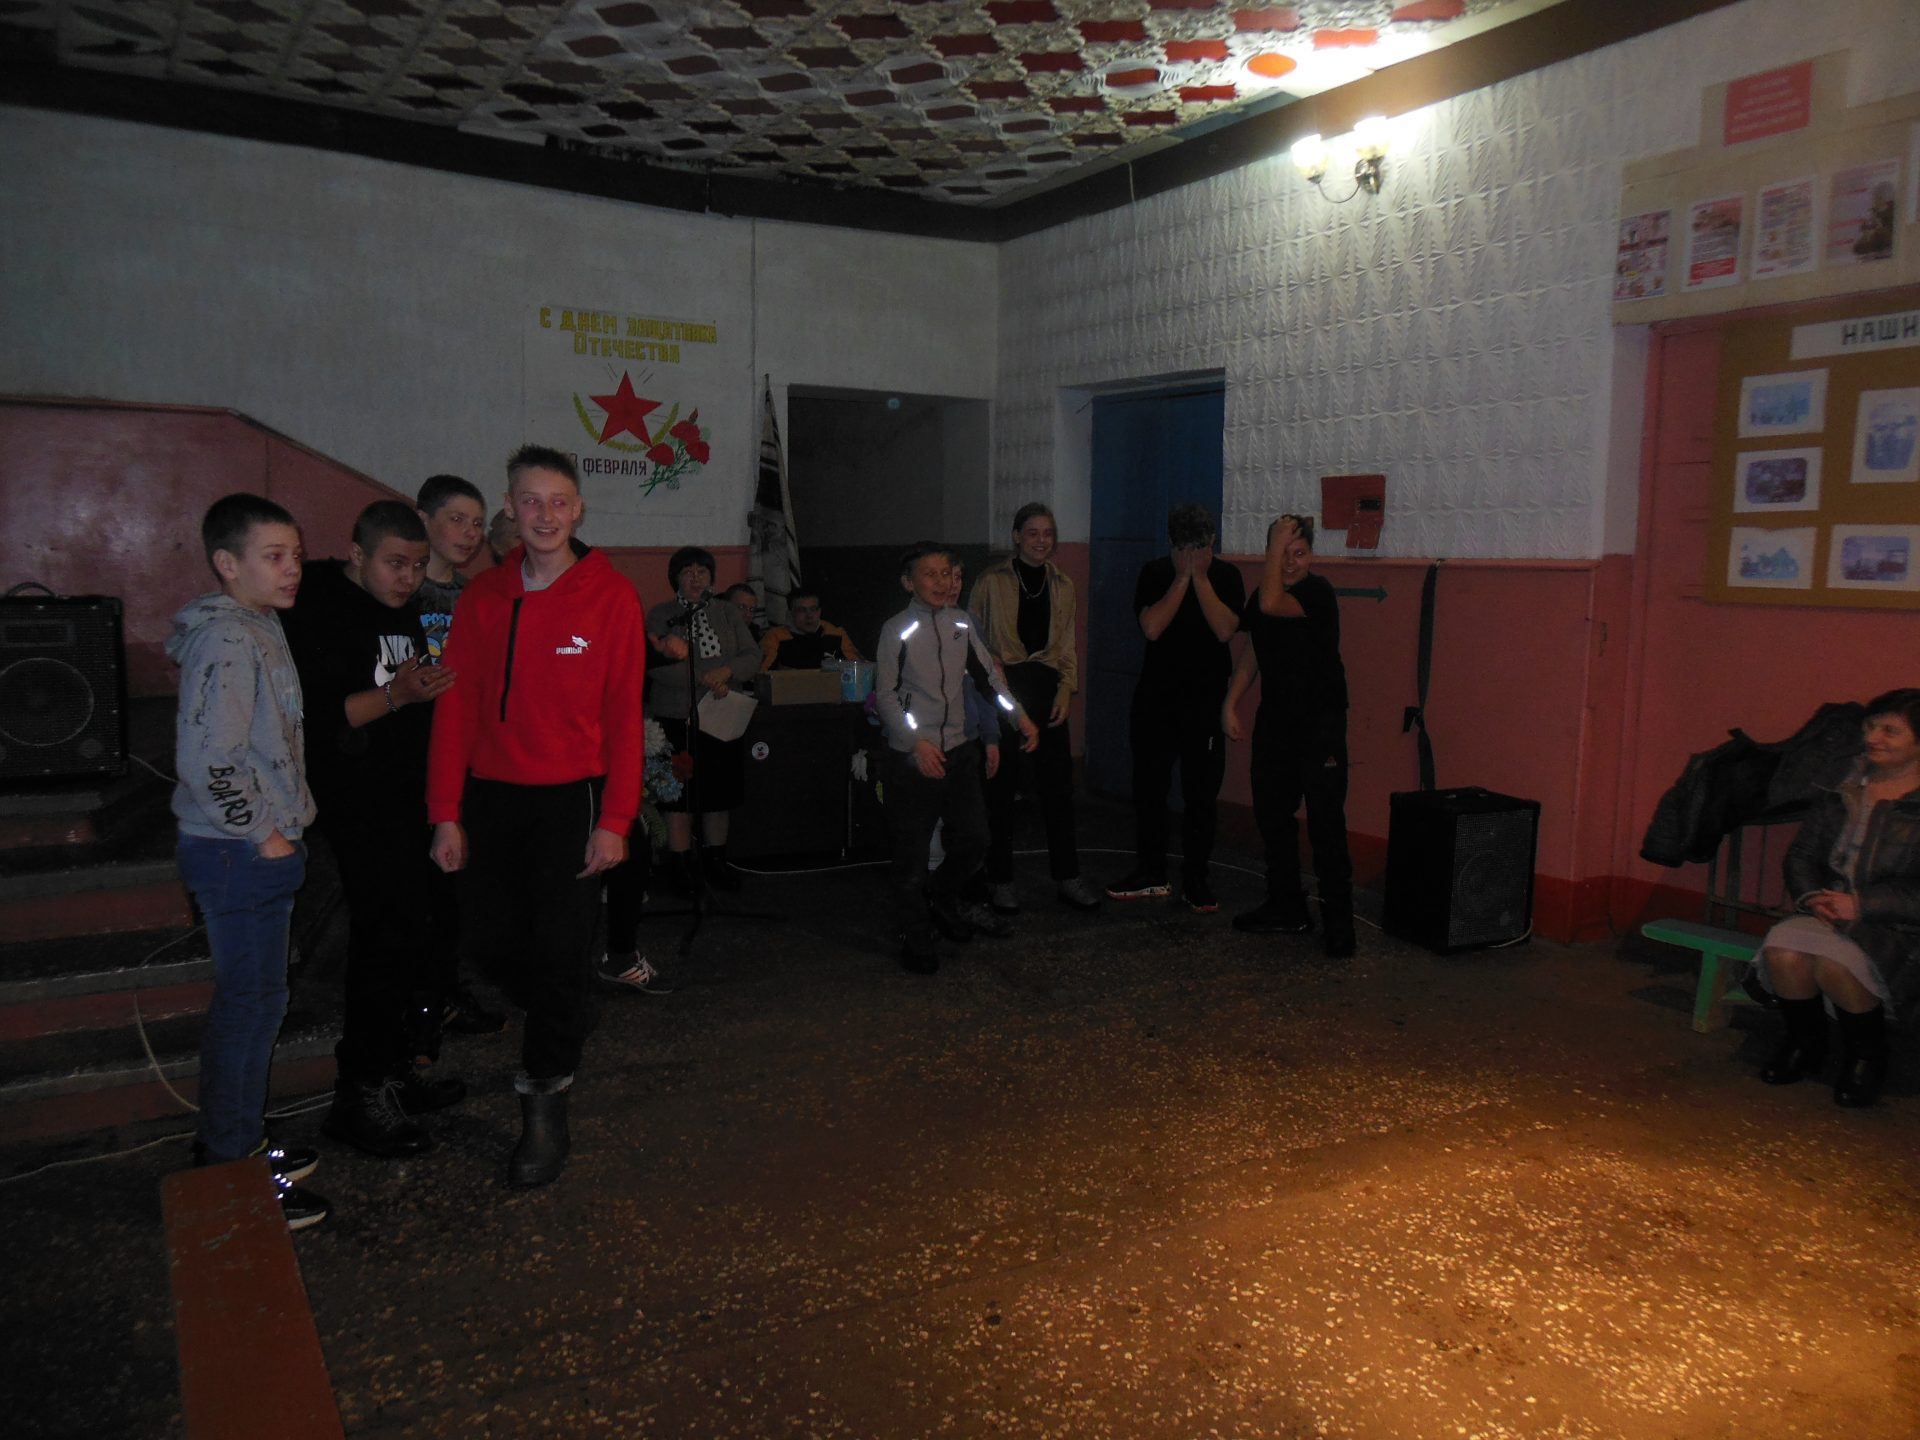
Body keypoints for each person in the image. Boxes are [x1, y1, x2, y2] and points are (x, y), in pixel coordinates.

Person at [427, 445, 646, 1188]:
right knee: (485, 941)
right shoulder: (484, 597)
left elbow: (623, 714)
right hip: (491, 797)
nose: (544, 515)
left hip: (571, 800)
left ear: (577, 509)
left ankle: (545, 1102)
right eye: (530, 501)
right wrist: (445, 811)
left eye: (558, 501)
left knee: (557, 953)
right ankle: (566, 1003)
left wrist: (616, 819)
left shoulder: (610, 596)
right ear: (510, 509)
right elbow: (455, 708)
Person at [282, 500, 466, 1158]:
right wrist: (399, 696)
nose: (408, 578)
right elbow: (318, 716)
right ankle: (356, 1096)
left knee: (413, 935)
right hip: (355, 799)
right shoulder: (321, 607)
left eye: (417, 566)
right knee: (382, 939)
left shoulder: (402, 608)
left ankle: (391, 1071)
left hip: (405, 795)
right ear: (357, 555)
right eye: (394, 564)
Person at [168, 493, 329, 1230]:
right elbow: (210, 760)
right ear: (227, 563)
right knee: (251, 1008)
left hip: (251, 848)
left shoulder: (258, 624)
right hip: (237, 853)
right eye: (274, 556)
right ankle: (234, 1169)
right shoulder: (229, 639)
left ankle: (235, 1142)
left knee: (256, 1004)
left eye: (295, 555)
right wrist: (266, 835)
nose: (291, 568)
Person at [1753, 688, 1920, 1108]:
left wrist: (1862, 905)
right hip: (1829, 910)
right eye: (1871, 726)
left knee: (1832, 964)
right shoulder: (1845, 786)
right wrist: (1812, 897)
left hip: (1896, 926)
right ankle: (1804, 1044)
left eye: (1890, 731)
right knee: (1783, 953)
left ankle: (1867, 1057)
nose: (1873, 738)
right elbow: (1803, 854)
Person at [877, 543, 1036, 973]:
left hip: (959, 752)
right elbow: (885, 697)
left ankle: (943, 897)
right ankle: (915, 932)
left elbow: (990, 681)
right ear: (909, 583)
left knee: (976, 839)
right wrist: (915, 743)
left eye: (946, 573)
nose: (941, 582)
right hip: (912, 759)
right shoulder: (897, 630)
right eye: (930, 574)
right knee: (911, 856)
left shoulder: (961, 624)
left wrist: (1020, 717)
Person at [1222, 515, 1355, 958]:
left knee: (1325, 821)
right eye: (1284, 553)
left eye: (1298, 553)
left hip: (1320, 724)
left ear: (1311, 556)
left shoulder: (1317, 593)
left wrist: (1275, 549)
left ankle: (1339, 924)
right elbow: (1254, 650)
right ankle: (1286, 905)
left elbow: (1271, 603)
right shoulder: (1264, 594)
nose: (1291, 562)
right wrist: (1230, 702)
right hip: (1276, 722)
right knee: (1272, 815)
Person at [1107, 504, 1246, 914]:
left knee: (1201, 795)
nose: (1191, 556)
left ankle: (1196, 878)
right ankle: (1151, 871)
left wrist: (1199, 578)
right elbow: (1152, 627)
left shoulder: (1227, 576)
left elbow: (1225, 629)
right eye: (1183, 549)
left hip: (1204, 703)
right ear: (1170, 543)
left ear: (1212, 542)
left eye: (1199, 548)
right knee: (1149, 790)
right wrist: (1182, 578)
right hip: (1156, 700)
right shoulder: (1154, 573)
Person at [409, 474, 506, 1059]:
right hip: (411, 761)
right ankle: (421, 1010)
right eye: (456, 520)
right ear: (423, 519)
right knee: (419, 898)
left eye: (476, 523)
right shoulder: (403, 592)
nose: (469, 533)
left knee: (452, 894)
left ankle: (446, 990)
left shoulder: (474, 595)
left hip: (463, 762)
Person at [970, 503, 1101, 913]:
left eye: (1048, 533)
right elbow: (973, 637)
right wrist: (993, 680)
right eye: (1032, 533)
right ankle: (999, 880)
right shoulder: (991, 581)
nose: (1041, 541)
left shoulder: (1062, 583)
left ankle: (1068, 876)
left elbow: (1066, 645)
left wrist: (1065, 690)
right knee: (1001, 788)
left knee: (1058, 789)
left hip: (1046, 687)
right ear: (1016, 537)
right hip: (1005, 685)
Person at [644, 548, 761, 893]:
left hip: (722, 714)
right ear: (675, 578)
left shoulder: (726, 611)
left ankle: (715, 861)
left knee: (719, 792)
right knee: (678, 794)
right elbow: (655, 665)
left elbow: (751, 654)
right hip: (676, 716)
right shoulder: (662, 614)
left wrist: (727, 672)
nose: (695, 578)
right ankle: (680, 865)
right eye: (688, 572)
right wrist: (704, 678)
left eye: (702, 572)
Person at [759, 588, 863, 671]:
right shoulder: (775, 637)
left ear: (819, 611)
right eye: (801, 610)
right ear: (790, 614)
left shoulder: (836, 635)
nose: (809, 616)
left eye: (813, 609)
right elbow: (762, 675)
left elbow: (859, 669)